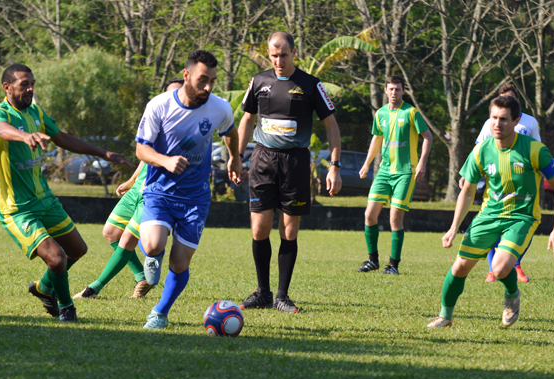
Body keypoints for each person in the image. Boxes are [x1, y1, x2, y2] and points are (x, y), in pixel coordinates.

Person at [0, 63, 134, 322]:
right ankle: (66, 308)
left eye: (32, 83)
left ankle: (43, 288)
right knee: (56, 258)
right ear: (7, 88)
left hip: (45, 199)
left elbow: (62, 138)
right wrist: (24, 137)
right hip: (17, 207)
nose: (30, 88)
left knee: (78, 250)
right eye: (24, 84)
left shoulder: (35, 112)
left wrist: (103, 153)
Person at [426, 95, 554, 329]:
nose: (497, 124)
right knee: (459, 267)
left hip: (522, 217)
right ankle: (445, 316)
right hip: (489, 216)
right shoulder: (481, 150)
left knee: (501, 268)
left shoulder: (534, 150)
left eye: (503, 119)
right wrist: (453, 228)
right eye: (493, 118)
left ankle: (512, 295)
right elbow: (468, 192)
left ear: (516, 120)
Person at [237, 31, 342, 313]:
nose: (279, 61)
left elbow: (332, 127)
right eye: (274, 55)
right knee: (259, 228)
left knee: (289, 230)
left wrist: (334, 167)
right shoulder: (259, 81)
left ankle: (282, 296)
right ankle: (263, 293)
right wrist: (237, 157)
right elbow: (247, 120)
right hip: (262, 160)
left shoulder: (311, 84)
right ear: (268, 54)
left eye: (284, 55)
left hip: (295, 162)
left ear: (294, 53)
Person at [134, 50, 240, 330]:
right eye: (202, 80)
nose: (208, 87)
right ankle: (152, 257)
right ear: (186, 75)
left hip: (195, 197)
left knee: (180, 264)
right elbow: (141, 148)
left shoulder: (220, 107)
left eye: (213, 81)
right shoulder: (159, 105)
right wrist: (165, 160)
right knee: (155, 244)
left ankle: (160, 313)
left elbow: (230, 131)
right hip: (160, 190)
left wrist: (235, 158)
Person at [73, 78, 184, 301]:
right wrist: (132, 181)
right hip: (137, 190)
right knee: (110, 233)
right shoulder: (155, 119)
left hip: (155, 194)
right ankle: (141, 276)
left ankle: (93, 289)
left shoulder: (185, 129)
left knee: (126, 241)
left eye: (179, 94)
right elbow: (144, 155)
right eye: (170, 94)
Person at [356, 76, 433, 275]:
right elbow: (377, 138)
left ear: (403, 91)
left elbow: (428, 136)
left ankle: (393, 265)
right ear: (385, 90)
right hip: (384, 171)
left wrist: (422, 162)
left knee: (394, 219)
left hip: (405, 172)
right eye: (390, 89)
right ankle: (373, 260)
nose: (394, 92)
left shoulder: (411, 112)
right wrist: (366, 164)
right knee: (369, 215)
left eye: (397, 89)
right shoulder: (380, 113)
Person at [474, 83, 541, 283]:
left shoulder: (529, 122)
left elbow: (538, 147)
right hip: (497, 182)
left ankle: (516, 265)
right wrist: (470, 176)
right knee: (494, 223)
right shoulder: (491, 122)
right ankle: (491, 269)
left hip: (523, 184)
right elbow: (479, 148)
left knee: (522, 225)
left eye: (512, 99)